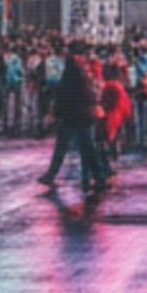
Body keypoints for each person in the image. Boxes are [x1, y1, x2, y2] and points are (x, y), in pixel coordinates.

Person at [40, 48, 108, 193]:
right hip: (80, 115)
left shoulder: (72, 73)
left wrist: (57, 111)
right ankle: (99, 176)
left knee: (69, 147)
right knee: (85, 147)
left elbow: (63, 94)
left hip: (73, 115)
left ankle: (52, 174)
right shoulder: (81, 73)